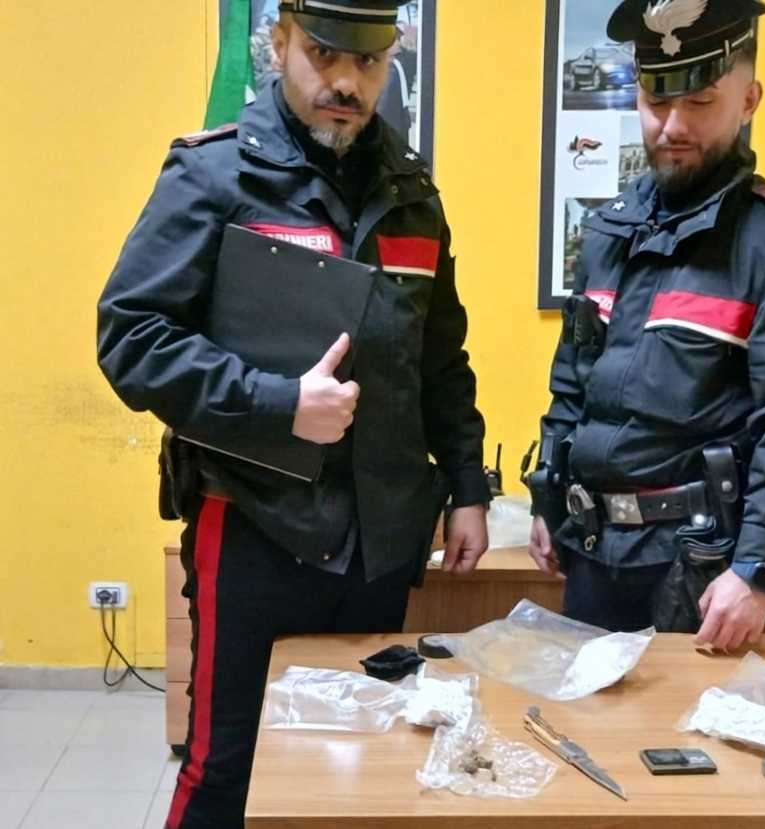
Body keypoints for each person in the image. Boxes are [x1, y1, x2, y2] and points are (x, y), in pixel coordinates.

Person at [96, 2, 489, 826]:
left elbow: (439, 361)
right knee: (225, 767)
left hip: (379, 539)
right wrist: (280, 405)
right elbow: (131, 338)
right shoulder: (213, 175)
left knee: (355, 763)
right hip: (254, 526)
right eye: (323, 53)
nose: (345, 80)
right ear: (278, 44)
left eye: (368, 61)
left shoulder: (412, 192)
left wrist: (465, 486)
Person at [527, 0, 765, 652]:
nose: (673, 125)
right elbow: (572, 384)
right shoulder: (608, 231)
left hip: (699, 568)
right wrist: (549, 495)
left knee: (682, 723)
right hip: (590, 549)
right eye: (656, 99)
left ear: (749, 100)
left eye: (701, 101)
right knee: (584, 713)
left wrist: (757, 569)